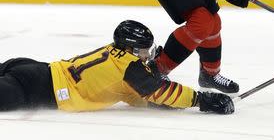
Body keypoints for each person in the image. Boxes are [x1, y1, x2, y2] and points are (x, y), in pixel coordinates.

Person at [0, 20, 234, 114]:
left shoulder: (116, 53)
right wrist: (201, 100)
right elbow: (163, 91)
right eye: (144, 50)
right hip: (32, 89)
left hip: (33, 69)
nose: (147, 54)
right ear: (132, 49)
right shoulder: (131, 70)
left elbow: (132, 93)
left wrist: (156, 101)